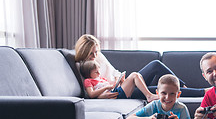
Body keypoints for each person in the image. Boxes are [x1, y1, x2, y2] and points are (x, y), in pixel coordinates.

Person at [74, 34, 208, 99]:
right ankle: (204, 92)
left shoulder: (99, 56)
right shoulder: (81, 65)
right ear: (84, 52)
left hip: (121, 85)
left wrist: (120, 79)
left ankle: (182, 85)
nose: (95, 55)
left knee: (156, 64)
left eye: (96, 51)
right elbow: (88, 92)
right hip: (117, 93)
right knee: (160, 89)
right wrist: (103, 95)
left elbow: (113, 72)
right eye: (91, 53)